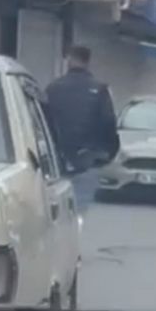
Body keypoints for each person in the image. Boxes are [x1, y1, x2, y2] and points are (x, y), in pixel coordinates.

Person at [45, 45, 119, 215]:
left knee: (56, 210)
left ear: (69, 59)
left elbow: (44, 120)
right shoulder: (100, 89)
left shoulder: (53, 88)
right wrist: (109, 152)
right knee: (79, 207)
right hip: (89, 158)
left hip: (57, 159)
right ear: (88, 61)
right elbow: (109, 122)